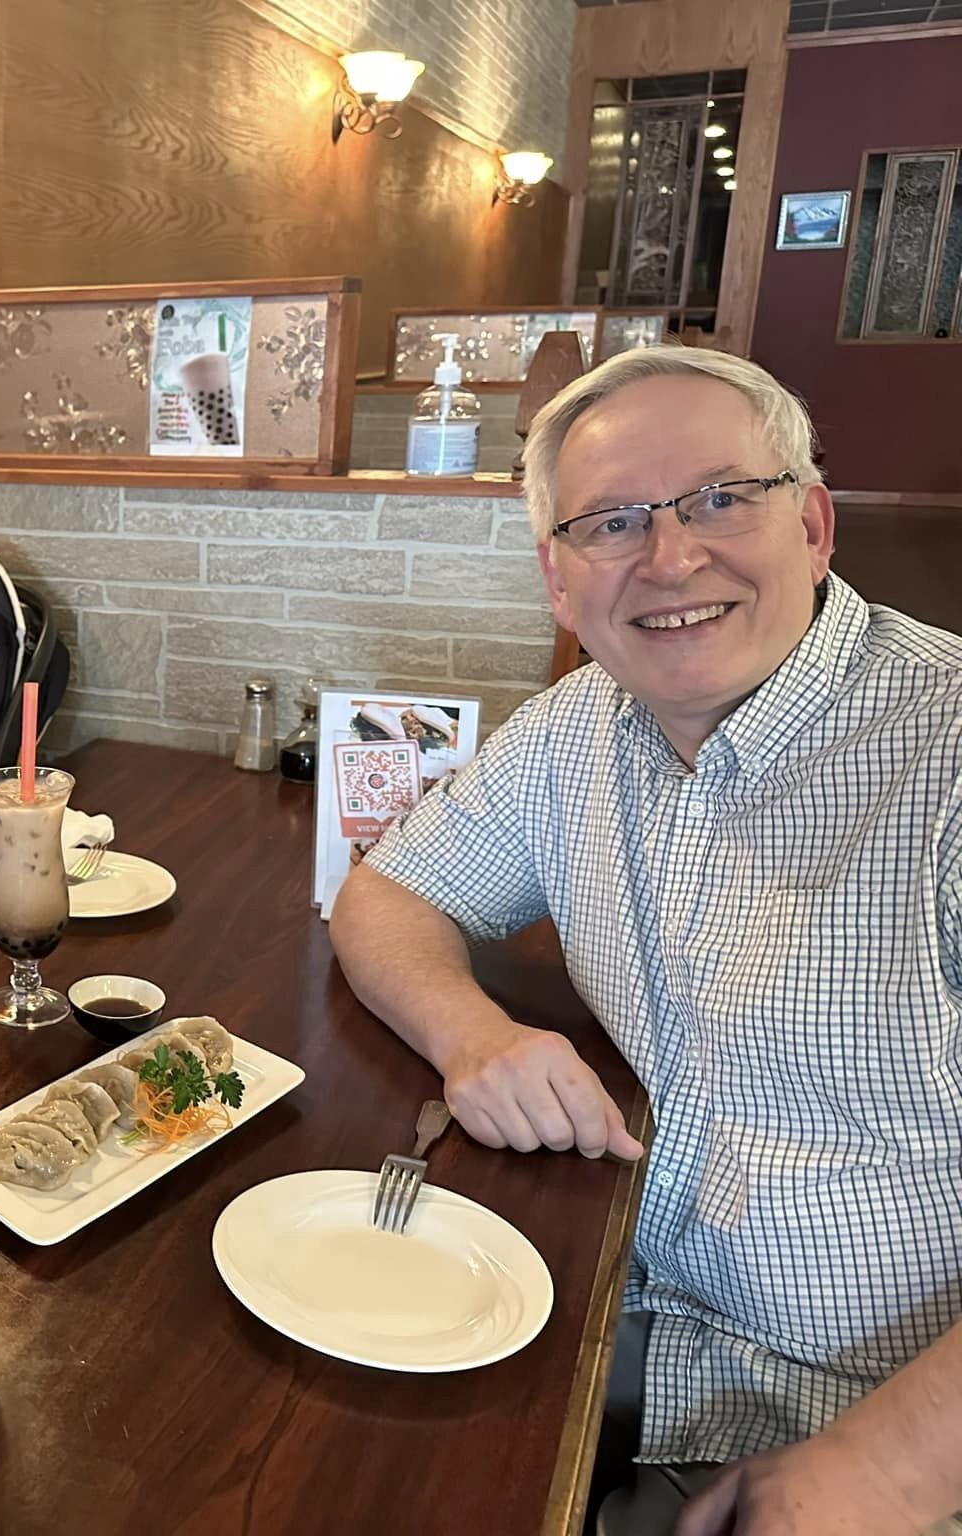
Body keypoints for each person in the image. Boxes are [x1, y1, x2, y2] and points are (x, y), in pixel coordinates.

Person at [328, 347, 962, 1535]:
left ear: (811, 527)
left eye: (719, 499)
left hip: (863, 1422)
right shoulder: (575, 729)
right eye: (610, 522)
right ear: (557, 580)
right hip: (604, 1322)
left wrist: (881, 1474)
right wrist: (470, 1035)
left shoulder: (945, 746)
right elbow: (384, 897)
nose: (668, 558)